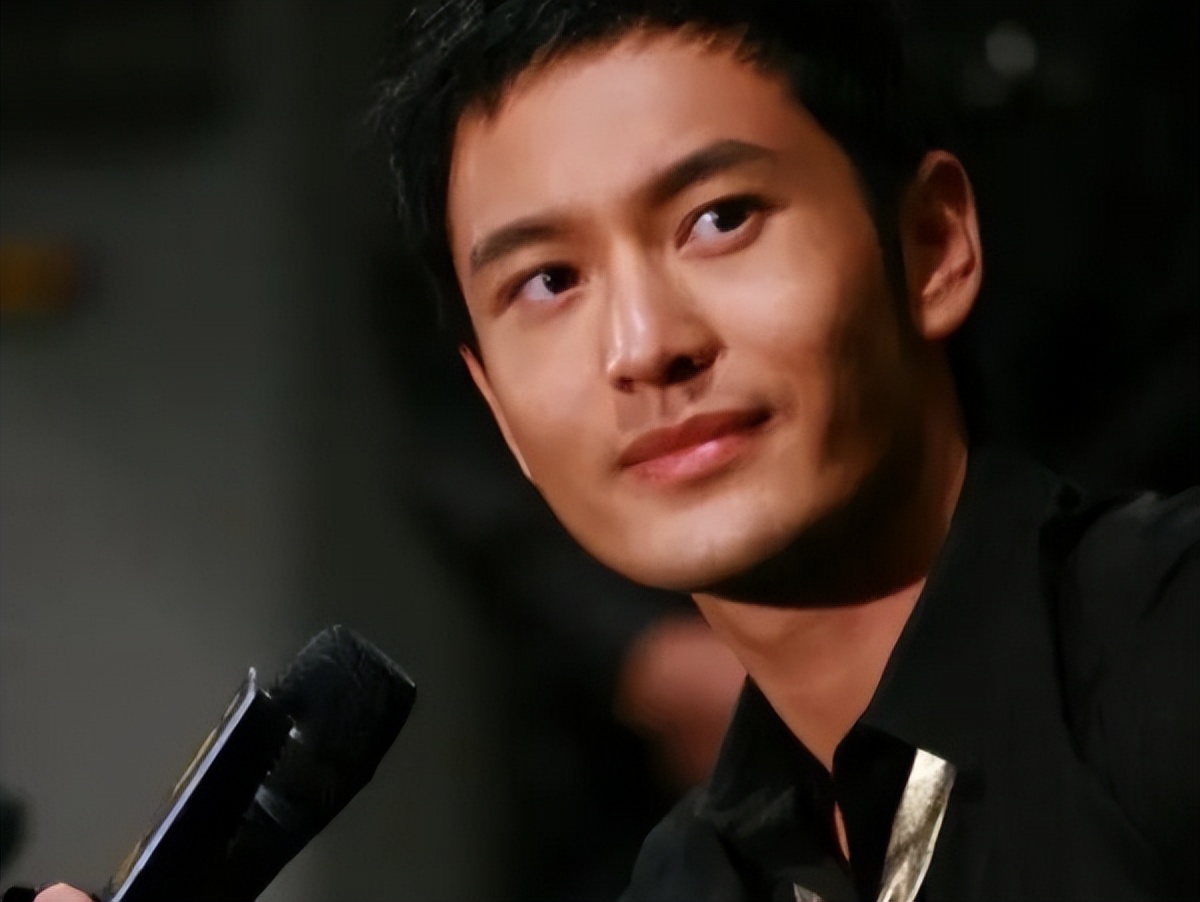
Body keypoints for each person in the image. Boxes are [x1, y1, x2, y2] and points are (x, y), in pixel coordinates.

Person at [30, 0, 1199, 899]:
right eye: (549, 281)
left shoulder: (1159, 650)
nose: (646, 345)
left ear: (932, 244)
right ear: (495, 408)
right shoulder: (696, 874)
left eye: (720, 218)